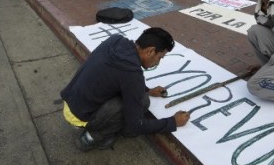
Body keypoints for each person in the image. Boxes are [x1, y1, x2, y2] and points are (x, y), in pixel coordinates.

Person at [60, 27, 190, 151]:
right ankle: (92, 138)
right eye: (160, 57)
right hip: (80, 116)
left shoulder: (116, 40)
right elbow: (136, 125)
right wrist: (172, 122)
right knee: (143, 103)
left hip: (71, 101)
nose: (158, 62)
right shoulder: (133, 74)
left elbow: (114, 75)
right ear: (150, 51)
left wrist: (147, 90)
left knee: (139, 97)